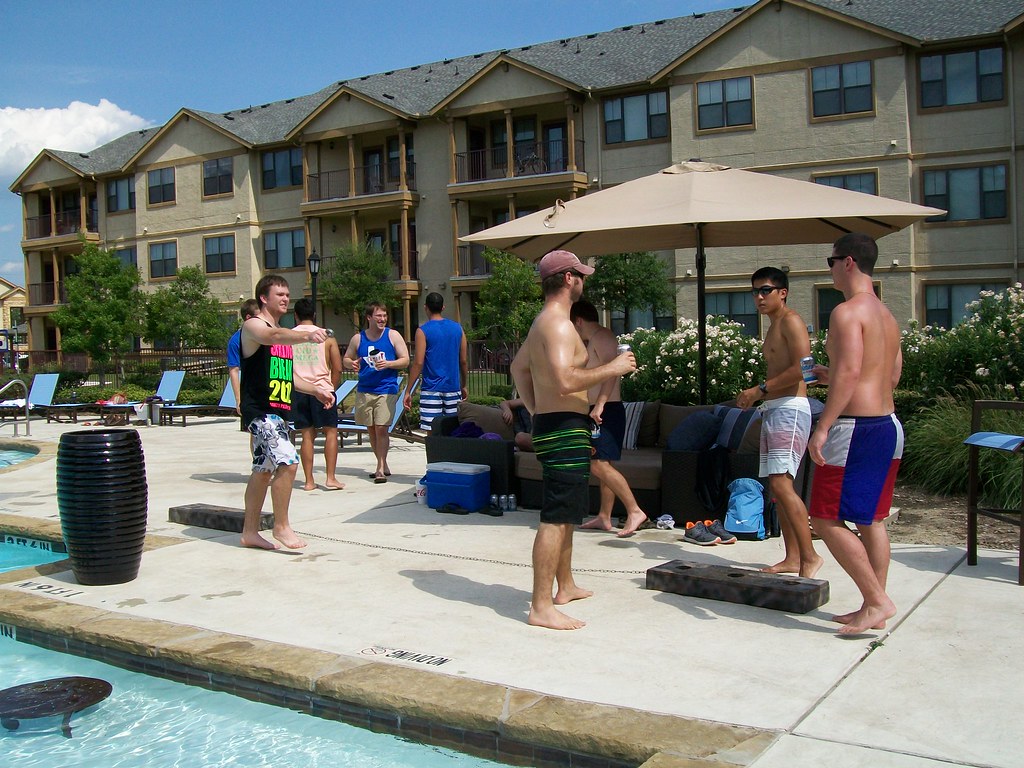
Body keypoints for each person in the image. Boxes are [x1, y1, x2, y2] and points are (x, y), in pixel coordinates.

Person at [510, 250, 636, 630]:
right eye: (580, 274)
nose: (584, 280)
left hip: (556, 422)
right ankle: (540, 606)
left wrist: (535, 409)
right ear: (568, 279)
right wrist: (612, 367)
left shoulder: (543, 323)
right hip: (564, 426)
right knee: (555, 517)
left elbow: (519, 367)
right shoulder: (560, 326)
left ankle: (564, 586)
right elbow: (565, 380)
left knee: (566, 515)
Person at [807, 233, 904, 635]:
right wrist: (845, 380)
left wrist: (824, 425)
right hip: (888, 425)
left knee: (824, 519)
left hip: (856, 429)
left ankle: (878, 600)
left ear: (848, 262)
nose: (828, 268)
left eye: (830, 261)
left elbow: (848, 373)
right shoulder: (886, 314)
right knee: (872, 519)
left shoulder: (846, 312)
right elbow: (892, 375)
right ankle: (872, 605)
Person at [736, 267, 823, 578]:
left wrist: (759, 390)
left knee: (782, 485)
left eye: (766, 290)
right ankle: (793, 557)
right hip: (775, 408)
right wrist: (761, 396)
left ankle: (810, 556)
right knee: (777, 488)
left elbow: (806, 369)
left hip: (791, 409)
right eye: (755, 291)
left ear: (782, 292)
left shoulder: (791, 321)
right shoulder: (773, 326)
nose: (759, 296)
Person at [239, 275, 334, 550]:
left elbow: (286, 378)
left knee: (263, 469)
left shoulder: (282, 335)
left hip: (278, 413)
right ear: (263, 298)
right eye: (278, 293)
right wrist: (306, 334)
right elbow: (272, 335)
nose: (284, 298)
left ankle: (249, 532)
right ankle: (281, 527)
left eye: (286, 294)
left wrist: (316, 390)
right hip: (261, 412)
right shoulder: (254, 325)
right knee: (288, 462)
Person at [571, 299, 648, 537]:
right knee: (604, 463)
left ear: (579, 321)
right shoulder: (594, 340)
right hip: (599, 408)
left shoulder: (602, 337)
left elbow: (614, 372)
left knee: (598, 464)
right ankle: (604, 516)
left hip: (605, 409)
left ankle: (635, 511)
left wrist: (600, 405)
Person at [343, 303, 410, 483]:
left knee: (381, 428)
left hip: (386, 389)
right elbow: (346, 359)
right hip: (365, 389)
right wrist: (352, 364)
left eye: (385, 315)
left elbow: (405, 360)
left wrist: (388, 364)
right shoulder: (358, 339)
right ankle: (383, 462)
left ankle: (380, 468)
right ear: (369, 318)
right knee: (371, 429)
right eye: (379, 316)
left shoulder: (392, 335)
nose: (382, 319)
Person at [291, 297, 344, 491]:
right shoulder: (326, 336)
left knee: (307, 435)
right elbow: (337, 368)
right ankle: (330, 477)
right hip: (323, 387)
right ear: (314, 315)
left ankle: (308, 481)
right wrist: (331, 389)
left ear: (295, 316)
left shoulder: (289, 337)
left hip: (300, 389)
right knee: (330, 432)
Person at [403, 292, 468, 431]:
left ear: (425, 307)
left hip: (431, 389)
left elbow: (418, 363)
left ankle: (434, 453)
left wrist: (408, 391)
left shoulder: (422, 331)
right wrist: (464, 385)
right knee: (453, 430)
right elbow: (463, 360)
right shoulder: (458, 329)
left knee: (431, 430)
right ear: (443, 307)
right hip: (452, 387)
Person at [227, 299, 260, 419]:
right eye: (258, 317)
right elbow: (234, 370)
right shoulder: (236, 341)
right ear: (248, 317)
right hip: (252, 393)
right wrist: (238, 399)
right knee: (257, 429)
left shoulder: (266, 334)